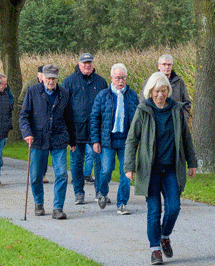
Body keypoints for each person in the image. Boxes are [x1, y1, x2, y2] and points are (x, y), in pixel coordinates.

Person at [125, 71, 198, 264]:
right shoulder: (143, 110)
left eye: (164, 90)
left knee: (174, 207)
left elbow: (186, 138)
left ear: (168, 91)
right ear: (151, 91)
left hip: (171, 168)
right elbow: (132, 140)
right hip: (150, 170)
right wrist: (129, 166)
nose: (160, 95)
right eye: (157, 91)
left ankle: (165, 236)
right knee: (154, 210)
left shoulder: (177, 110)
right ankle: (155, 249)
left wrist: (192, 162)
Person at [20, 64, 77, 219]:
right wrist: (27, 133)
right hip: (38, 139)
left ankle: (58, 208)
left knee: (62, 174)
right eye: (48, 78)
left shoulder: (64, 94)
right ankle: (39, 203)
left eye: (54, 79)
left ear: (57, 79)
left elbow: (69, 118)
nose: (51, 82)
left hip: (58, 138)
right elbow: (24, 116)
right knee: (36, 175)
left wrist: (73, 140)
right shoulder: (32, 92)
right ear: (42, 78)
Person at [90, 63, 139, 215]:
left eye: (123, 77)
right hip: (107, 141)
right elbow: (94, 118)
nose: (120, 81)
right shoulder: (103, 95)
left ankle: (122, 203)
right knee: (106, 170)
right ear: (111, 78)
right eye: (117, 77)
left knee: (126, 172)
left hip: (126, 141)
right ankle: (102, 193)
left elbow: (138, 120)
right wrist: (95, 140)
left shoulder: (132, 96)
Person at [63, 53, 108, 205]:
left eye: (89, 62)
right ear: (78, 64)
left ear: (93, 64)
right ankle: (79, 193)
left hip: (96, 130)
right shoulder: (69, 82)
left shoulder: (101, 82)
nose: (87, 65)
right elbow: (64, 108)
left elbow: (106, 106)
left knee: (99, 162)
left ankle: (100, 192)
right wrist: (67, 133)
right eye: (84, 63)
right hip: (76, 130)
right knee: (76, 163)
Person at [147, 53, 191, 120]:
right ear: (158, 66)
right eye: (164, 64)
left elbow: (186, 103)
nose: (167, 67)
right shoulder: (151, 81)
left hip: (175, 122)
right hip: (156, 121)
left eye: (169, 64)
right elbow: (143, 103)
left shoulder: (179, 81)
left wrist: (183, 119)